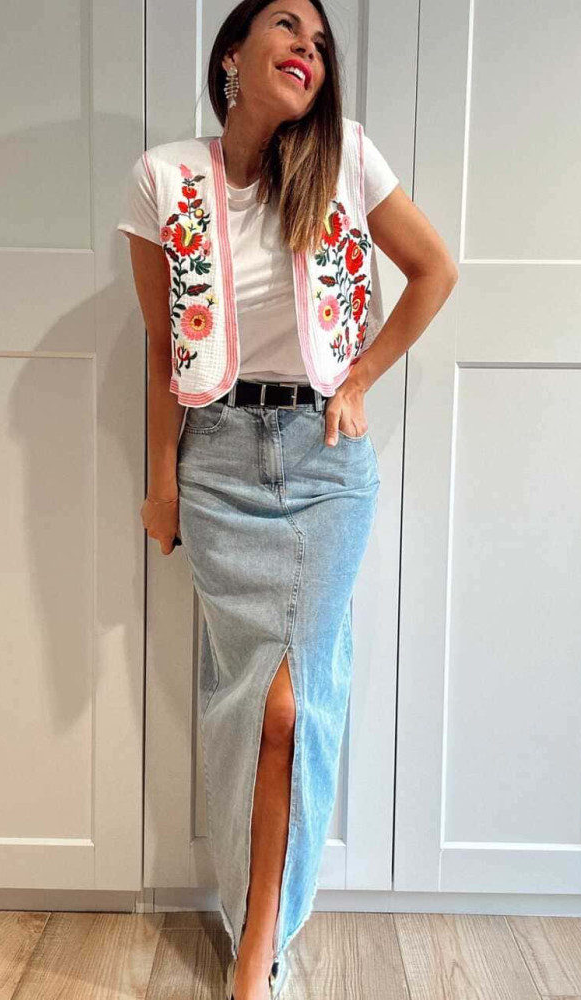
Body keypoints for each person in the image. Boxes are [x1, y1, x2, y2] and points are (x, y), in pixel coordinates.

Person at [117, 2, 457, 997]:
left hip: (323, 462)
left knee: (290, 707)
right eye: (287, 28)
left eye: (319, 42)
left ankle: (257, 954)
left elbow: (434, 271)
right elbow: (161, 345)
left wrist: (359, 379)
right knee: (245, 712)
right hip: (218, 461)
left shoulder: (343, 158)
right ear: (233, 52)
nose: (308, 48)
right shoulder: (164, 179)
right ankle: (255, 929)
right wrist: (162, 482)